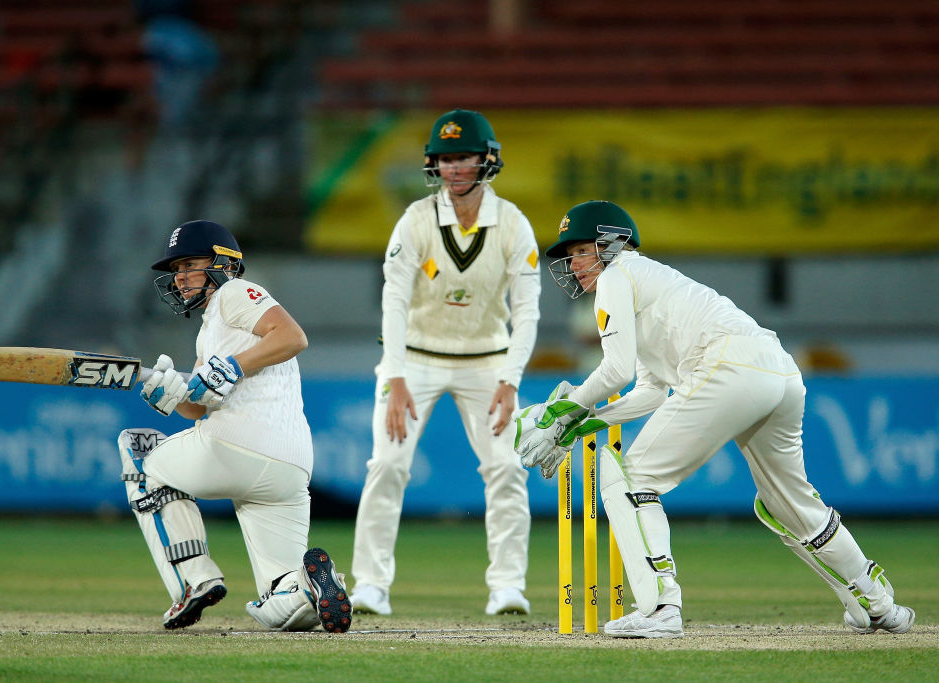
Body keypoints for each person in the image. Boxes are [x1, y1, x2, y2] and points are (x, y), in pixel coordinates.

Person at [515, 200, 915, 638]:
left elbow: (616, 371)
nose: (572, 266)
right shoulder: (647, 282)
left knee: (631, 475)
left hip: (727, 368)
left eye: (578, 251)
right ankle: (877, 603)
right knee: (787, 503)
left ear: (610, 243)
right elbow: (649, 391)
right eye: (568, 257)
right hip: (778, 372)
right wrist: (584, 420)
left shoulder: (616, 275)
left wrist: (559, 412)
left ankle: (659, 607)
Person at [349, 109, 541, 616]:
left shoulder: (514, 225)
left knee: (505, 466)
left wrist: (510, 378)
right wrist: (394, 376)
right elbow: (393, 301)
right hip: (414, 359)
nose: (454, 169)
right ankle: (369, 583)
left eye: (463, 158)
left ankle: (507, 586)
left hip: (488, 362)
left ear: (486, 160)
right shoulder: (415, 220)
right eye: (446, 159)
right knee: (387, 463)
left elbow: (527, 311)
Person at [118, 219, 352, 633]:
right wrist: (169, 396)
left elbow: (293, 336)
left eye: (189, 264)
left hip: (238, 447)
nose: (180, 277)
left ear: (223, 263)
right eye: (175, 270)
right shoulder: (212, 329)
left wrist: (232, 367)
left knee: (139, 450)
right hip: (288, 468)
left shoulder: (234, 293)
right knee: (279, 604)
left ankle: (194, 580)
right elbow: (198, 407)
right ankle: (310, 586)